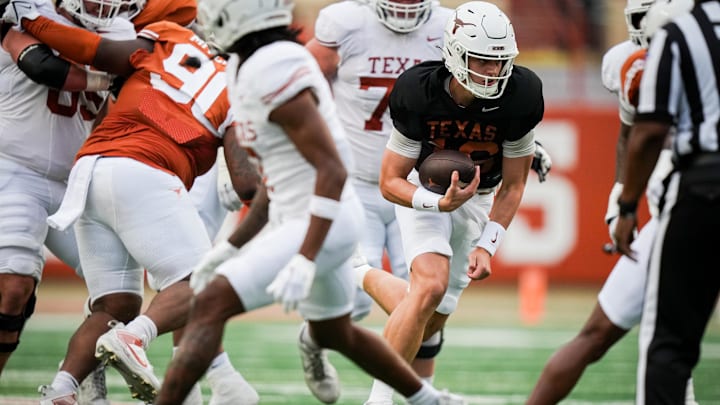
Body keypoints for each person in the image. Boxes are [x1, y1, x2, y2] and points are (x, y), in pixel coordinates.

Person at [153, 1, 464, 404]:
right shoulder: (247, 65)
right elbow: (279, 176)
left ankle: (219, 394)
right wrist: (231, 245)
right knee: (337, 332)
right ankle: (428, 399)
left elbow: (330, 170)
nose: (207, 20)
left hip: (321, 219)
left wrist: (306, 255)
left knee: (210, 303)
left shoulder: (273, 68)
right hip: (312, 213)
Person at [3, 2, 259, 403]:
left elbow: (101, 55)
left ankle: (61, 390)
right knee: (201, 283)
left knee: (115, 303)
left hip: (89, 170)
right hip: (144, 172)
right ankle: (133, 338)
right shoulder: (242, 87)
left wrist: (28, 20)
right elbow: (245, 183)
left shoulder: (170, 37)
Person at [352, 1, 543, 404]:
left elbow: (512, 186)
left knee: (430, 318)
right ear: (455, 53)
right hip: (425, 193)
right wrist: (435, 204)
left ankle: (360, 273)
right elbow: (390, 181)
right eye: (482, 60)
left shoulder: (522, 94)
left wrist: (487, 244)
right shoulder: (418, 91)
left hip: (479, 198)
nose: (493, 72)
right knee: (429, 286)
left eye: (499, 61)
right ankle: (379, 400)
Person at [525, 1, 697, 404]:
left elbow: (650, 135)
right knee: (605, 333)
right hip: (672, 208)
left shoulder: (695, 57)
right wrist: (621, 197)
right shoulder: (629, 64)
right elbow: (631, 132)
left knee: (666, 340)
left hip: (689, 203)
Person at [302, 0, 453, 401]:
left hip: (417, 188)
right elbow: (297, 85)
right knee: (350, 302)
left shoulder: (448, 28)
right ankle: (315, 337)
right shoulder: (345, 23)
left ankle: (421, 394)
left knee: (426, 305)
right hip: (356, 183)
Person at [0, 0, 134, 382]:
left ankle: (82, 374)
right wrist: (107, 79)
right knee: (13, 287)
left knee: (121, 296)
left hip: (73, 180)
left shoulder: (120, 33)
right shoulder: (27, 14)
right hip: (13, 166)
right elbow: (43, 67)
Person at [614, 0, 720, 403]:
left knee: (669, 342)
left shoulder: (680, 35)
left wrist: (626, 206)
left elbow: (648, 131)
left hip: (703, 186)